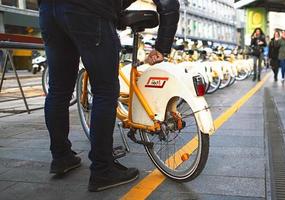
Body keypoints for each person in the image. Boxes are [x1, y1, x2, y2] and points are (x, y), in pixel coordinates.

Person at [38, 0, 179, 192]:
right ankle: (102, 170)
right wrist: (162, 48)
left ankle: (61, 157)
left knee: (58, 90)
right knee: (105, 90)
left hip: (49, 10)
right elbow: (168, 3)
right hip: (88, 9)